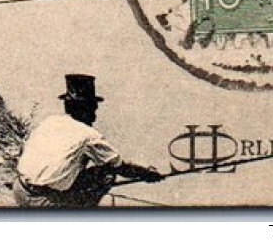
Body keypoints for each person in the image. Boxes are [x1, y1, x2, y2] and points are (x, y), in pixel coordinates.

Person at [13, 74, 164, 207]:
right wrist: (146, 174)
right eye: (92, 109)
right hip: (43, 202)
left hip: (20, 189)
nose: (94, 116)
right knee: (106, 174)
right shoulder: (89, 135)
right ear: (84, 109)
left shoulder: (51, 121)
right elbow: (118, 165)